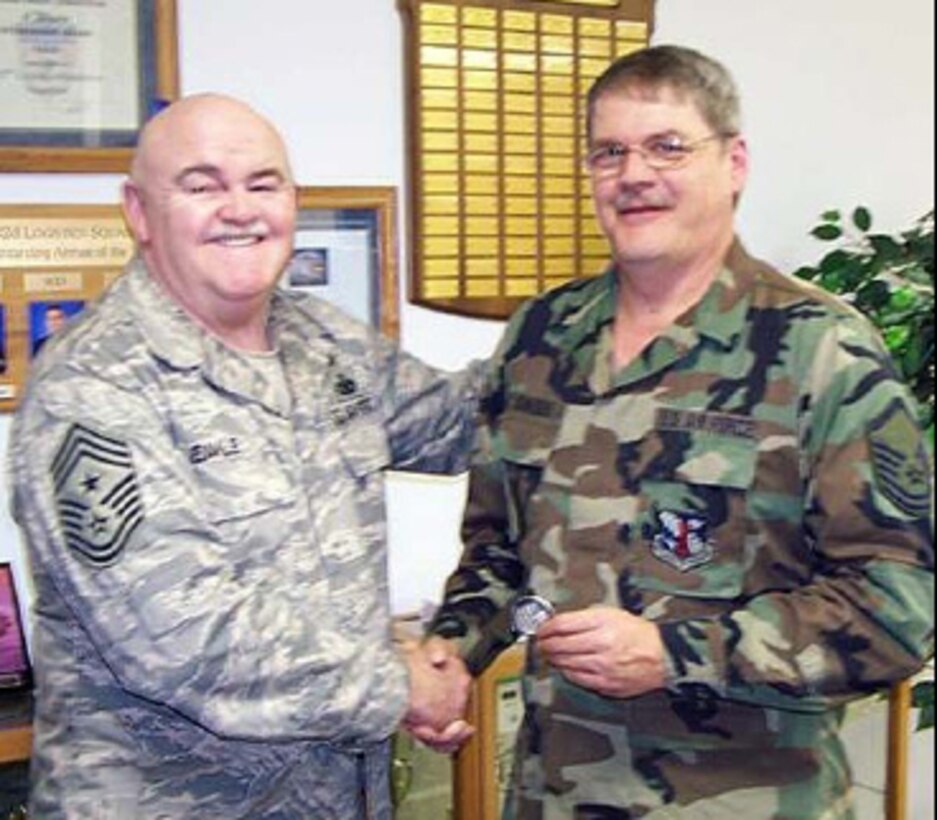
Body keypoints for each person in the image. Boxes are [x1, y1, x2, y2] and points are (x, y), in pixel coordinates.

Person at [427, 45, 934, 818]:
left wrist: (673, 655)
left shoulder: (818, 349)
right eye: (609, 152)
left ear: (733, 163)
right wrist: (449, 652)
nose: (633, 174)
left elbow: (897, 605)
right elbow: (497, 551)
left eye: (666, 146)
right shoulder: (540, 335)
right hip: (552, 794)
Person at [9, 93, 476, 819]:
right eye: (202, 186)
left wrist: (595, 323)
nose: (240, 210)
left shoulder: (324, 345)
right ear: (138, 213)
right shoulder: (93, 386)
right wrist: (400, 686)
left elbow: (463, 421)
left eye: (264, 184)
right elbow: (185, 637)